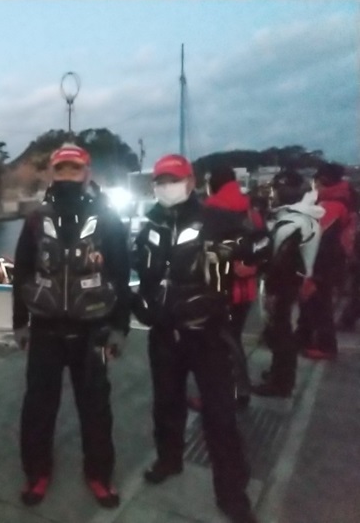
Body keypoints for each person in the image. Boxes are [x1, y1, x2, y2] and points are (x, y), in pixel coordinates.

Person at [132, 154, 265, 523]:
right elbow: (140, 269)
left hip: (207, 333)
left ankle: (232, 493)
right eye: (160, 180)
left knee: (220, 414)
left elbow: (261, 243)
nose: (166, 186)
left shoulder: (216, 219)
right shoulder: (150, 224)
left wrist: (244, 256)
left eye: (173, 179)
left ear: (190, 183)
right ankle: (169, 459)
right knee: (166, 403)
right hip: (163, 334)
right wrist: (138, 304)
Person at [12, 143, 132, 509]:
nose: (67, 176)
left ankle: (99, 474)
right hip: (45, 329)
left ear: (87, 174)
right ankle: (37, 472)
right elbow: (22, 271)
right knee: (38, 407)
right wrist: (20, 323)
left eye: (74, 169)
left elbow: (121, 274)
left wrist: (120, 327)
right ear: (52, 174)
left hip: (92, 330)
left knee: (96, 408)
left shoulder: (107, 219)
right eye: (61, 170)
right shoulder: (35, 220)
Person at [188, 166, 266, 411]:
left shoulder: (210, 211)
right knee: (233, 340)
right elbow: (265, 245)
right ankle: (238, 391)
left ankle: (228, 394)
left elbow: (201, 250)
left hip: (220, 289)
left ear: (212, 185)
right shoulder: (251, 210)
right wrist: (251, 267)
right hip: (246, 290)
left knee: (219, 345)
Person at [252, 168, 323, 397]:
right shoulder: (303, 217)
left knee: (281, 333)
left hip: (284, 284)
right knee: (281, 331)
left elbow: (280, 259)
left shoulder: (294, 222)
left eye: (277, 189)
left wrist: (269, 284)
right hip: (294, 281)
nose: (274, 194)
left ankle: (281, 383)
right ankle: (278, 374)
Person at [294, 162, 354, 360]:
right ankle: (304, 338)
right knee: (312, 303)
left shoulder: (330, 206)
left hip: (323, 264)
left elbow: (319, 240)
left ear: (323, 181)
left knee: (320, 304)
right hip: (333, 262)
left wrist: (310, 270)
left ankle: (325, 346)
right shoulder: (342, 200)